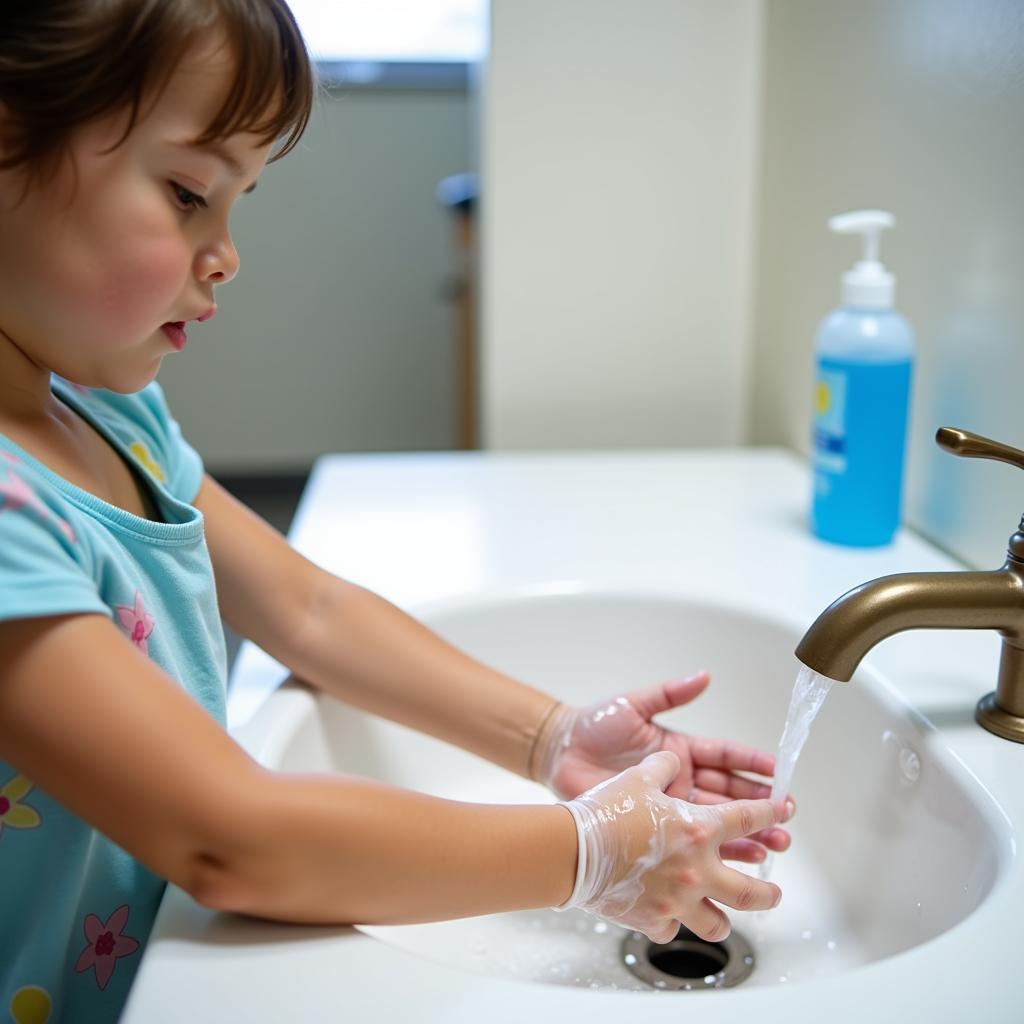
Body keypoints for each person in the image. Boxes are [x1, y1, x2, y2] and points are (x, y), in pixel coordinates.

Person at [0, 2, 794, 1020]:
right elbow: (230, 841)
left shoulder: (112, 417)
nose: (226, 252)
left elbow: (307, 609)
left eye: (235, 203)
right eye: (190, 191)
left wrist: (553, 739)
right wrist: (591, 852)